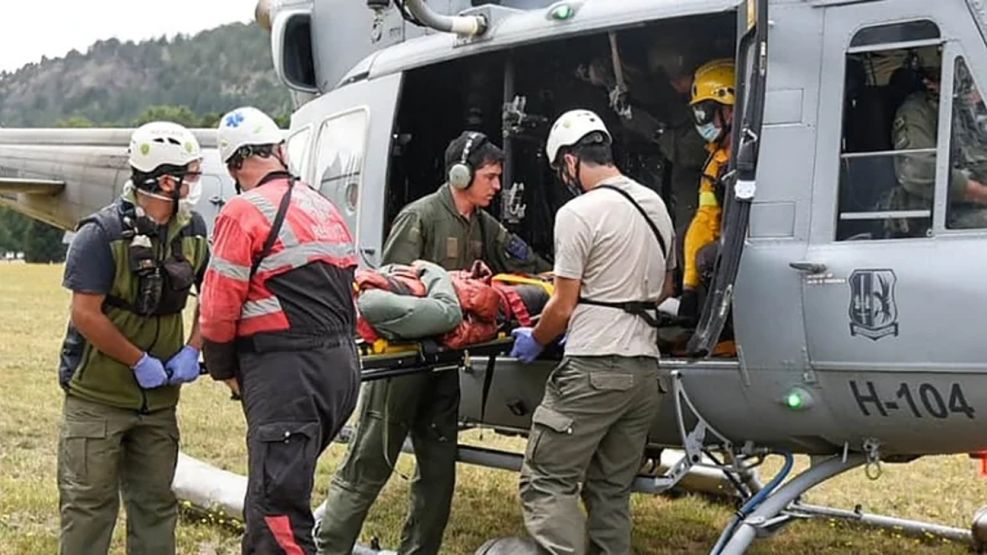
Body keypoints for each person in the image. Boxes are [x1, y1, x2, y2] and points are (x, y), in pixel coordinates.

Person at [314, 130, 550, 555]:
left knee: (439, 473)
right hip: (403, 366)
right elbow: (386, 294)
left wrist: (555, 282)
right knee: (368, 467)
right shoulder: (420, 217)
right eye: (491, 177)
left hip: (444, 365)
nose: (498, 186)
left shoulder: (481, 223)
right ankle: (327, 547)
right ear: (461, 175)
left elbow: (525, 261)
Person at [510, 108, 676, 555]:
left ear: (569, 161)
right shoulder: (655, 205)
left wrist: (538, 338)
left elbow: (561, 305)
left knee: (547, 480)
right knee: (609, 491)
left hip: (594, 368)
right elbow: (665, 289)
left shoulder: (578, 213)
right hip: (644, 372)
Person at [199, 106, 361, 554]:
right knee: (275, 491)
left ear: (235, 166)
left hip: (289, 374)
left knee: (278, 515)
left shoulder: (244, 210)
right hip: (341, 370)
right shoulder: (321, 205)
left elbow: (216, 308)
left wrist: (222, 367)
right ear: (280, 151)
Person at [56, 121, 210, 554]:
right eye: (191, 173)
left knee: (156, 506)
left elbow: (213, 293)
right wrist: (138, 360)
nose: (196, 181)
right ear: (165, 179)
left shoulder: (194, 230)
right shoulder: (100, 234)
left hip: (160, 404)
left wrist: (193, 348)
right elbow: (85, 315)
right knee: (89, 508)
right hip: (97, 399)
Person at [890, 58, 987, 234]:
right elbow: (917, 170)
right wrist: (981, 193)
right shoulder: (917, 110)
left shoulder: (971, 110)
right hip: (939, 212)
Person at [679, 58, 736, 322]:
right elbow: (705, 221)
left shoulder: (765, 152)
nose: (701, 120)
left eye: (706, 111)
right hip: (734, 253)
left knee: (710, 256)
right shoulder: (716, 163)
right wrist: (689, 287)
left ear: (731, 111)